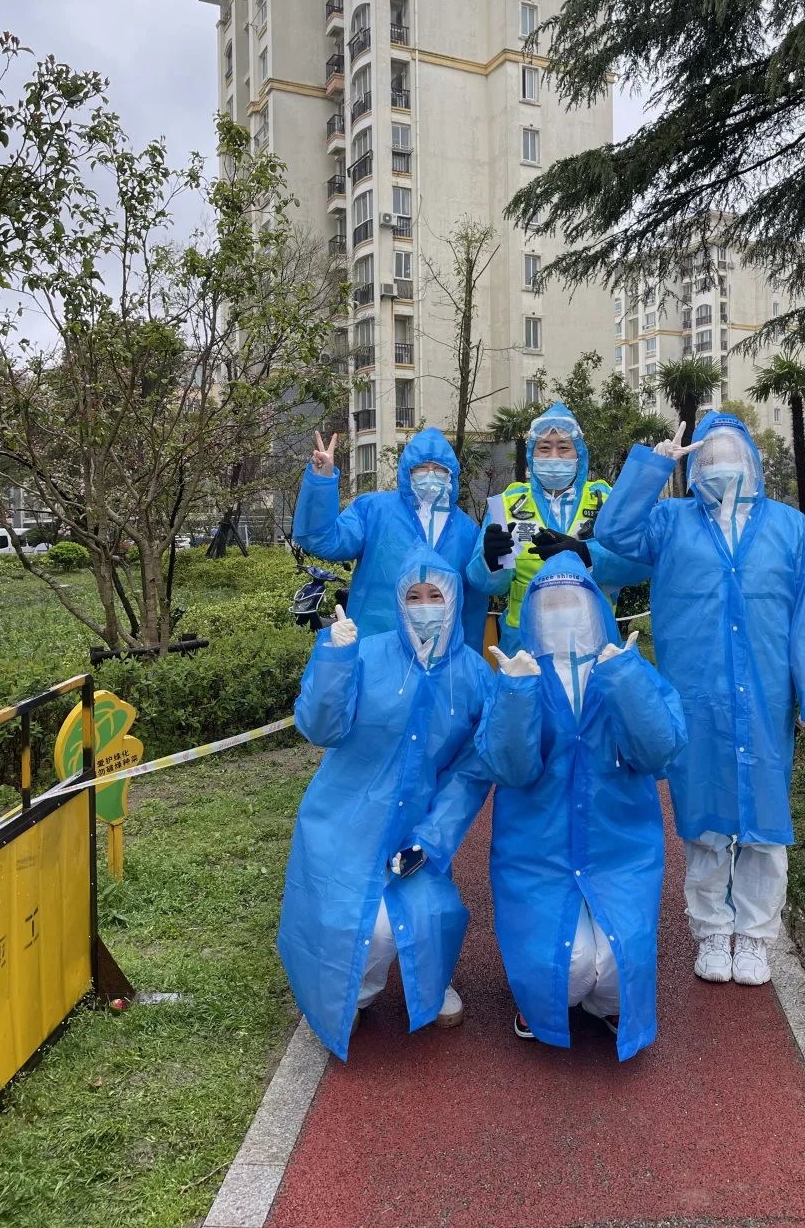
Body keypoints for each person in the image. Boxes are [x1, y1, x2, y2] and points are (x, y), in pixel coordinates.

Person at [594, 412, 805, 988]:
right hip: (696, 693)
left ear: (753, 460)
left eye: (730, 452)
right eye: (707, 456)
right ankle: (711, 929)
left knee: (765, 816)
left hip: (765, 695)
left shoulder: (788, 526)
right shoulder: (670, 520)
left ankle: (755, 934)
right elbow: (614, 533)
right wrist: (654, 466)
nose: (719, 464)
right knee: (702, 813)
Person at [277, 546, 494, 1058]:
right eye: (413, 596)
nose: (425, 606)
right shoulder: (366, 654)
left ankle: (429, 981)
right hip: (344, 819)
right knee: (353, 921)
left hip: (413, 828)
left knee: (432, 911)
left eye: (435, 595)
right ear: (398, 602)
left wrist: (431, 840)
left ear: (453, 599)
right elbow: (321, 729)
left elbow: (470, 772)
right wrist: (334, 658)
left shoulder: (473, 674)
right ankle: (351, 993)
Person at [476, 551, 687, 1062]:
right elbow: (509, 770)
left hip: (619, 852)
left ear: (595, 608)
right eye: (550, 605)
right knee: (566, 968)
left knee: (614, 969)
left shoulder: (624, 666)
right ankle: (543, 998)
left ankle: (602, 999)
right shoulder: (521, 672)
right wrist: (516, 694)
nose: (563, 613)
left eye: (574, 601)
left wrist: (626, 681)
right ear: (533, 614)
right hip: (538, 857)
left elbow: (659, 754)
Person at [467, 401, 647, 655]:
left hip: (593, 637)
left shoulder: (605, 500)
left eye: (563, 448)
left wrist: (588, 555)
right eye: (544, 448)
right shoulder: (507, 503)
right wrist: (491, 561)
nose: (553, 456)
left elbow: (639, 564)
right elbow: (485, 584)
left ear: (579, 454)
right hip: (525, 642)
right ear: (531, 455)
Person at [292, 425, 488, 649]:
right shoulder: (373, 510)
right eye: (421, 468)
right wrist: (322, 481)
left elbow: (473, 604)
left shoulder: (467, 531)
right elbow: (321, 539)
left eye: (439, 469)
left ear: (451, 474)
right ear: (407, 471)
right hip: (374, 647)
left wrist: (469, 657)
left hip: (441, 655)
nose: (430, 474)